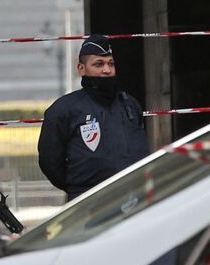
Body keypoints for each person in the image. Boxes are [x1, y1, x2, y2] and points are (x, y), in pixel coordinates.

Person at [37, 34, 149, 199]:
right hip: (89, 202)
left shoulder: (130, 105)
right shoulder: (63, 110)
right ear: (81, 68)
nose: (107, 70)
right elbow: (50, 161)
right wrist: (78, 186)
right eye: (98, 64)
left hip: (133, 197)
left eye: (111, 64)